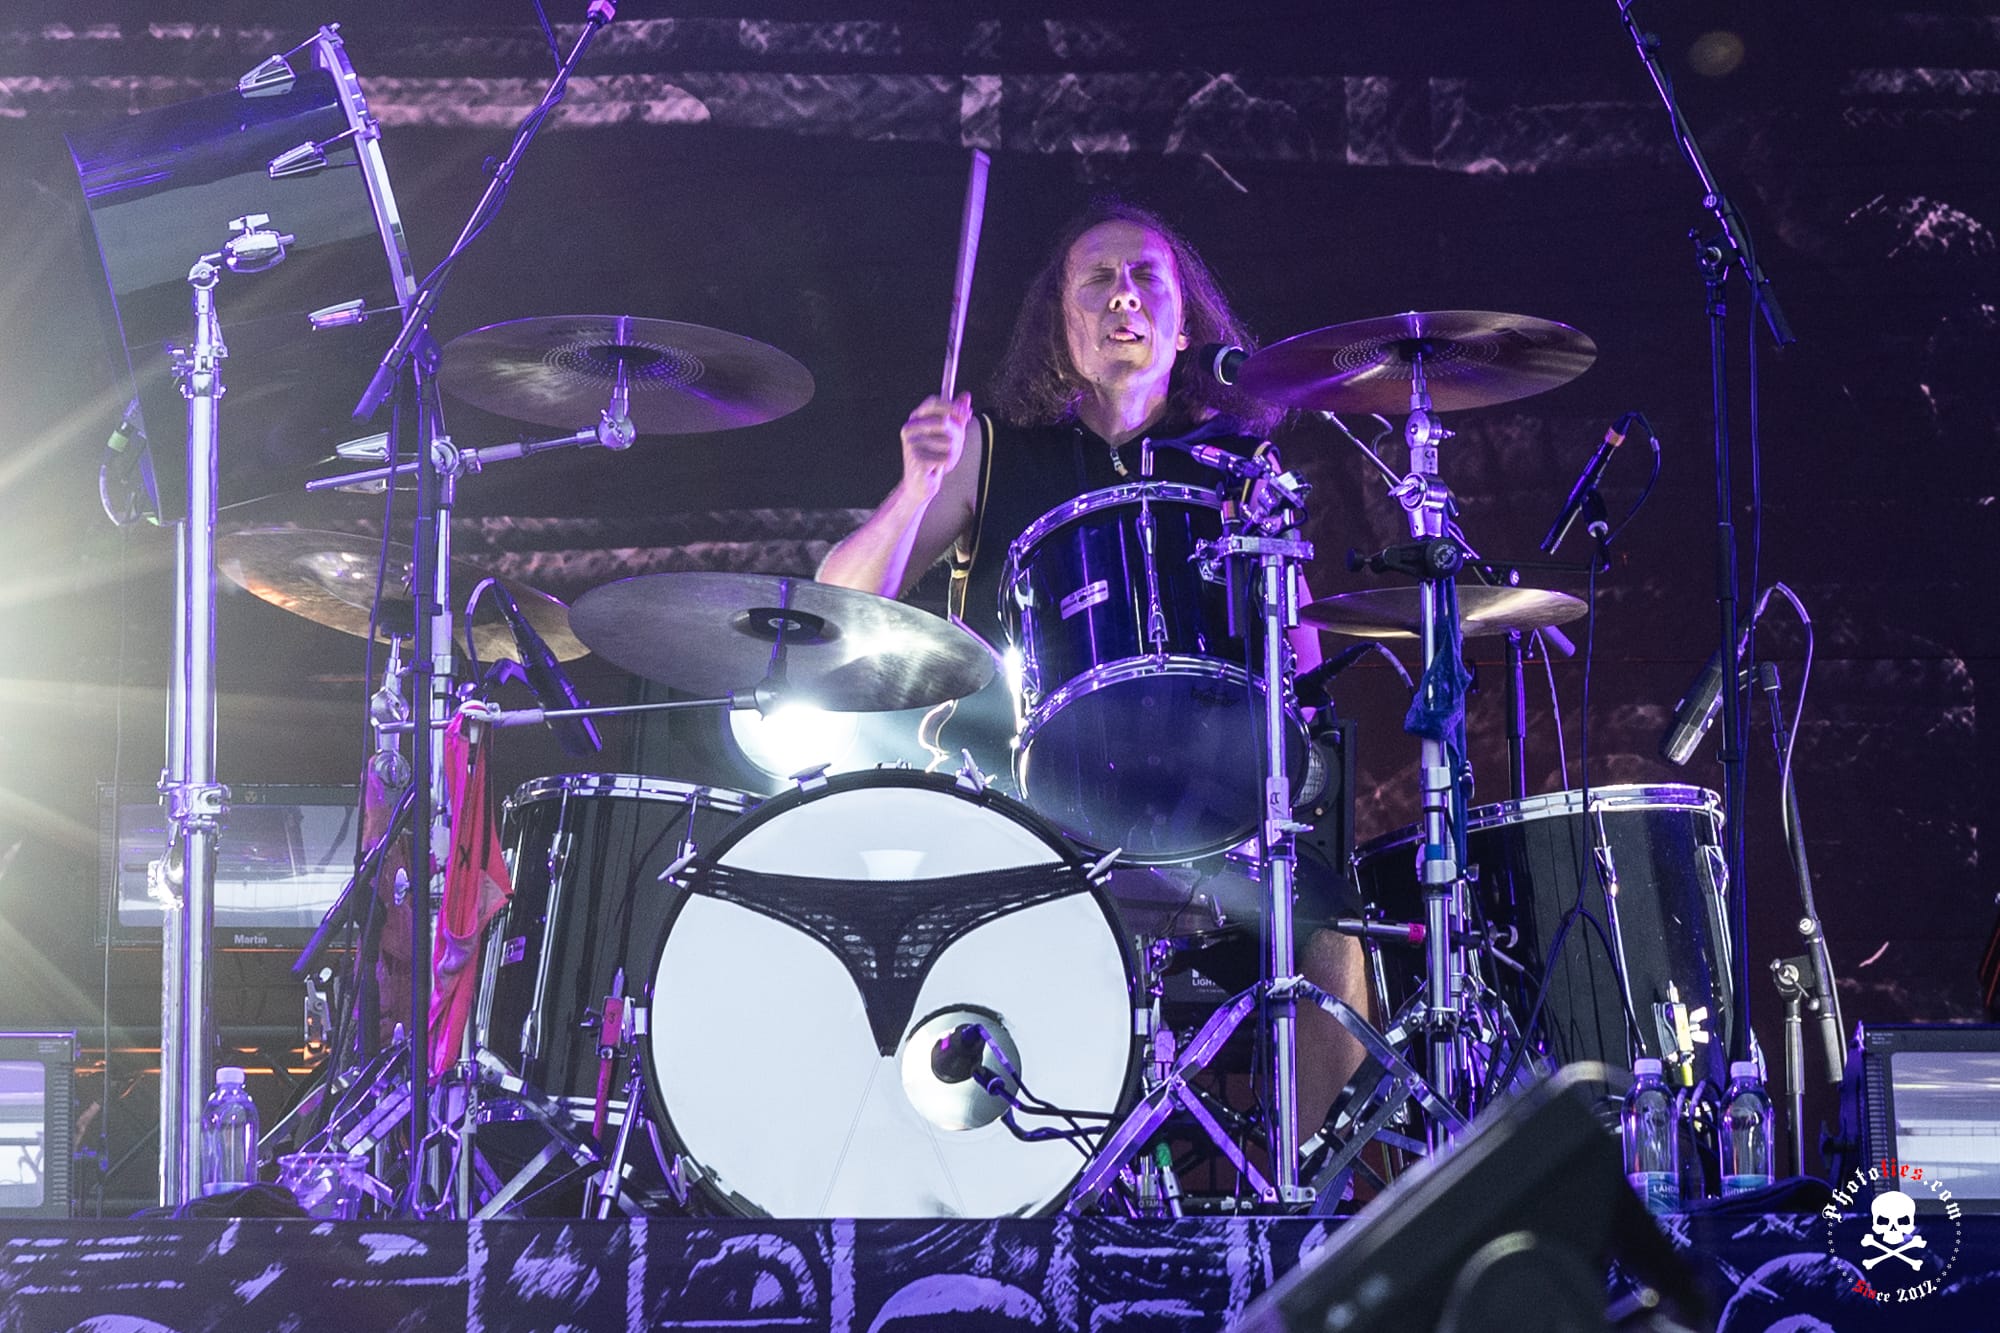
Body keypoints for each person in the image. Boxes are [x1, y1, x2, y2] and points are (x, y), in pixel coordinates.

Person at [818, 199, 1370, 1156]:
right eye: (1097, 280)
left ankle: (1308, 1191)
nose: (1124, 295)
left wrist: (1301, 735)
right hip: (1023, 807)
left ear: (1184, 325)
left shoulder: (1238, 464)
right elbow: (843, 603)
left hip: (1206, 815)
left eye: (1147, 277)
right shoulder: (994, 448)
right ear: (1061, 325)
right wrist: (915, 488)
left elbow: (1303, 660)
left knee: (1329, 930)